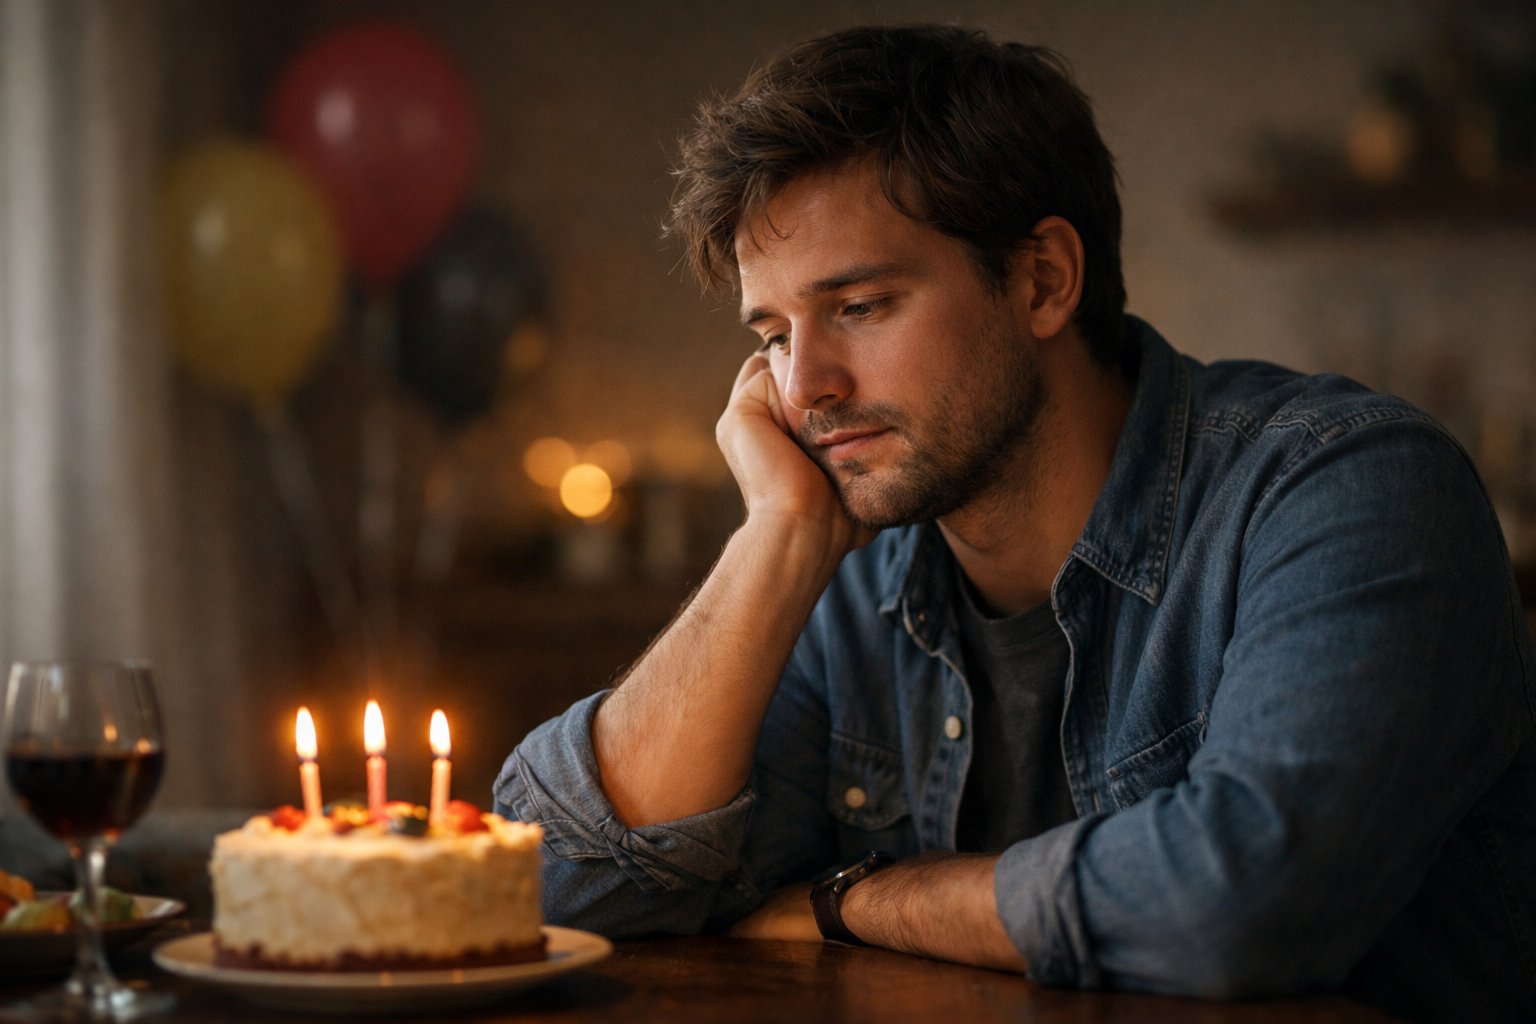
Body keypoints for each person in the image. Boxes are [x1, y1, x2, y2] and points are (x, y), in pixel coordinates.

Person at [494, 24, 1535, 1021]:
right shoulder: (850, 580)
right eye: (772, 333)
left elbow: (1238, 904)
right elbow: (546, 886)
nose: (802, 386)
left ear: (1043, 280)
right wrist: (772, 539)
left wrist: (845, 902)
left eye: (859, 306)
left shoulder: (1346, 488)